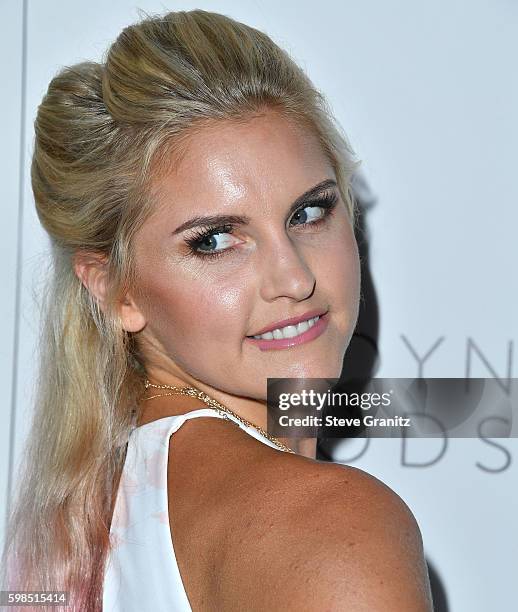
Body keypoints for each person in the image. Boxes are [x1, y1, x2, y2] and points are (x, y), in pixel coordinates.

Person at [2, 9, 434, 611]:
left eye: (309, 213)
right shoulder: (332, 526)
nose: (296, 279)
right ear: (113, 288)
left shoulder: (67, 525)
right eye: (214, 240)